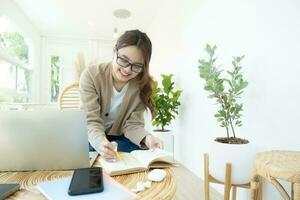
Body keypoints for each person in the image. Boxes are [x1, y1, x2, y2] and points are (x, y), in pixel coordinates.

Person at [80, 29, 163, 162]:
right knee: (86, 152)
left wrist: (148, 138)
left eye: (136, 66)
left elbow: (133, 125)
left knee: (140, 153)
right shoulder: (91, 75)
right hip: (93, 137)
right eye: (123, 60)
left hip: (121, 139)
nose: (127, 70)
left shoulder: (142, 85)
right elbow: (91, 121)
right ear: (115, 51)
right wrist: (102, 144)